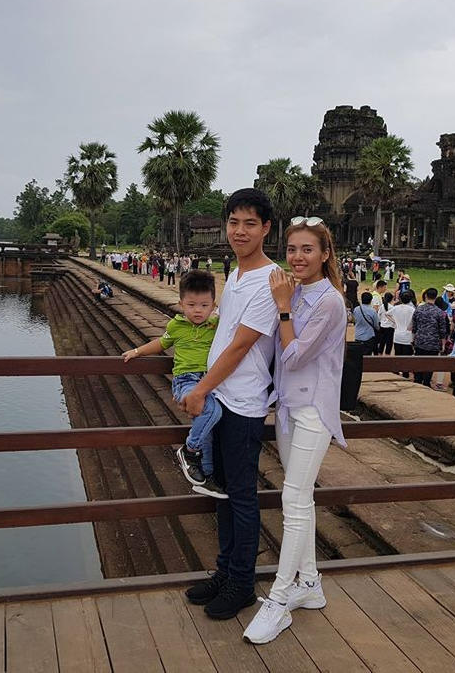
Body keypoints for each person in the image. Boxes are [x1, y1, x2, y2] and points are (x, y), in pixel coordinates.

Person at [243, 217, 347, 644]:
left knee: (293, 498)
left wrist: (284, 306)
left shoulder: (330, 301)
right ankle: (311, 583)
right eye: (292, 249)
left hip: (313, 411)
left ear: (325, 254)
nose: (298, 257)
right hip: (287, 407)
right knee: (301, 497)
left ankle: (280, 598)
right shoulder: (296, 290)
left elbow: (296, 356)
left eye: (307, 249)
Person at [181, 189, 279, 621]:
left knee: (240, 496)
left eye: (250, 223)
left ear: (266, 228)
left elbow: (240, 347)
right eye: (234, 222)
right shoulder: (236, 274)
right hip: (223, 398)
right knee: (221, 493)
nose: (240, 231)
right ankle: (225, 573)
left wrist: (200, 389)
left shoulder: (271, 281)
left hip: (243, 403)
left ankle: (242, 583)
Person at [121, 271, 226, 499]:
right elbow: (161, 343)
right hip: (186, 380)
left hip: (207, 382)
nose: (197, 311)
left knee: (208, 432)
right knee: (212, 411)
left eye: (204, 305)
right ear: (181, 304)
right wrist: (137, 351)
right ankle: (189, 450)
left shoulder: (216, 325)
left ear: (213, 306)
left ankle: (206, 477)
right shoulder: (177, 325)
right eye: (191, 305)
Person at [410, 287, 447, 387]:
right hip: (433, 343)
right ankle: (426, 384)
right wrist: (443, 344)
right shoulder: (439, 312)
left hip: (420, 341)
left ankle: (417, 382)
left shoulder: (419, 309)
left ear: (426, 296)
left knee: (418, 364)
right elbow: (442, 331)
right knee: (430, 366)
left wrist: (413, 340)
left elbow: (414, 327)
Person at [386, 290, 415, 378]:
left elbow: (387, 314)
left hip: (397, 335)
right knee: (406, 357)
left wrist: (395, 322)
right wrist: (411, 325)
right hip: (408, 336)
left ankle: (397, 373)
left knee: (398, 355)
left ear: (401, 299)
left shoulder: (396, 308)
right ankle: (405, 374)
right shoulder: (412, 309)